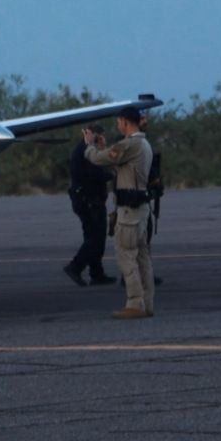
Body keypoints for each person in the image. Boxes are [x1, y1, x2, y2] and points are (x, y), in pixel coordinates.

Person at [84, 110, 155, 319]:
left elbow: (99, 159)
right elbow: (117, 163)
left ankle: (134, 303)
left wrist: (89, 146)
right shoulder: (142, 145)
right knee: (142, 258)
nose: (117, 125)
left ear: (125, 122)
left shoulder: (130, 144)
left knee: (126, 256)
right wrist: (104, 147)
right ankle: (147, 303)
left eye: (119, 122)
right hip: (140, 209)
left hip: (129, 211)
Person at [62, 124, 114, 286]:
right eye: (100, 136)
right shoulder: (87, 151)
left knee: (93, 236)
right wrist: (113, 175)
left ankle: (96, 273)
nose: (103, 140)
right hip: (88, 201)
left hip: (89, 200)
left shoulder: (87, 150)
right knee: (95, 238)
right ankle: (75, 266)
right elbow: (94, 175)